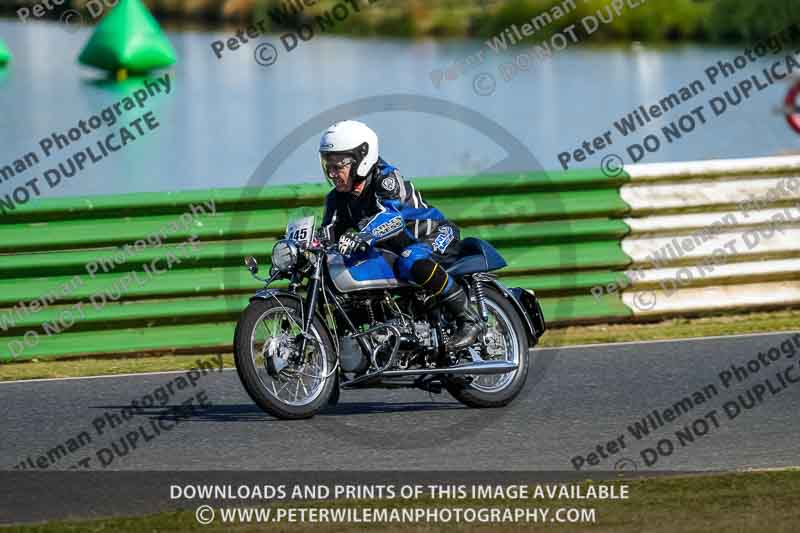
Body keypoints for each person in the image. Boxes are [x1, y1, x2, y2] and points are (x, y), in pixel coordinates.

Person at [318, 120, 481, 352]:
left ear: (360, 159)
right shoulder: (336, 198)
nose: (332, 174)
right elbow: (328, 232)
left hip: (433, 234)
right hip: (394, 249)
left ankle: (469, 320)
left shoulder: (385, 178)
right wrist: (308, 246)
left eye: (338, 166)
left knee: (411, 259)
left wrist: (363, 235)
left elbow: (392, 218)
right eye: (328, 166)